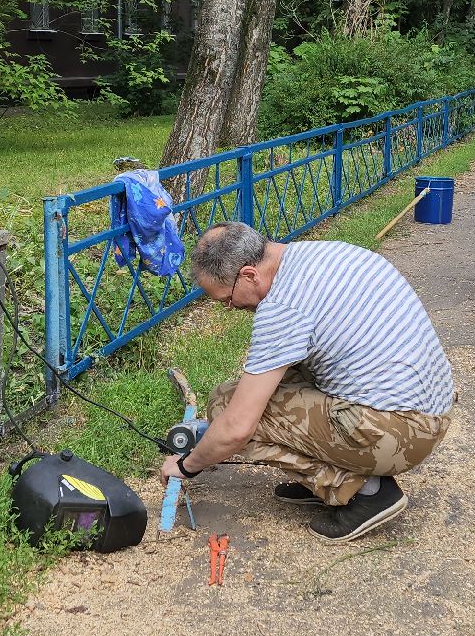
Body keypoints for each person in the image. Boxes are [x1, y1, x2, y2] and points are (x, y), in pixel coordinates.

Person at [156, 222, 454, 543]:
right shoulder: (325, 253)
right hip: (432, 404)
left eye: (226, 299)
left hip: (400, 433)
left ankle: (364, 492)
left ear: (248, 275)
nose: (231, 308)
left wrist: (187, 466)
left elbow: (237, 427)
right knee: (271, 387)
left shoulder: (283, 308)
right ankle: (328, 473)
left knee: (225, 406)